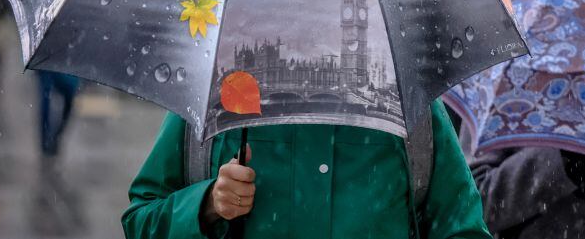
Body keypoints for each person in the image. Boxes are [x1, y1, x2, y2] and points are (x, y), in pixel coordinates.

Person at [122, 100, 493, 239]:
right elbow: (141, 219)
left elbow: (463, 230)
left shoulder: (409, 108)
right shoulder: (216, 98)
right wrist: (206, 205)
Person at [38, 70, 81, 156]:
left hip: (53, 67)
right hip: (64, 69)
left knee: (47, 97)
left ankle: (49, 138)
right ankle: (50, 138)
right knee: (48, 99)